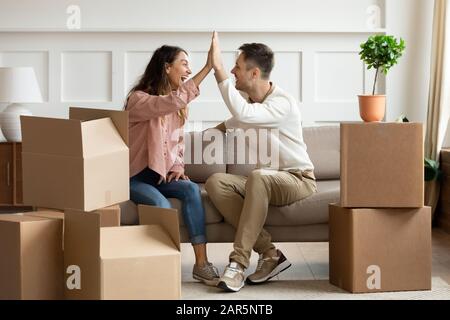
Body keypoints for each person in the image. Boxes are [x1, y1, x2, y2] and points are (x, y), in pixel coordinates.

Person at [205, 32, 317, 292]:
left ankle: (237, 264)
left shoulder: (282, 104)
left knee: (259, 176)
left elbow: (243, 115)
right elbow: (229, 124)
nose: (233, 71)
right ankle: (270, 253)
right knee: (216, 182)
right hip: (267, 180)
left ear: (254, 73)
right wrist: (184, 143)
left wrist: (218, 69)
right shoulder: (252, 104)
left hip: (297, 179)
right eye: (231, 66)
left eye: (238, 67)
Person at [124, 44, 220, 286]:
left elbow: (176, 142)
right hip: (134, 177)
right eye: (184, 63)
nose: (188, 69)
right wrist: (208, 67)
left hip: (159, 176)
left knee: (190, 189)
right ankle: (162, 266)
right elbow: (169, 102)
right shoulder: (139, 100)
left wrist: (177, 166)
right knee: (160, 204)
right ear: (167, 67)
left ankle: (201, 264)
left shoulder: (176, 107)